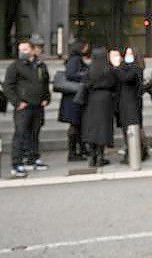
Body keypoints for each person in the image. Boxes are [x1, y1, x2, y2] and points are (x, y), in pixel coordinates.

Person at [4, 36, 50, 177]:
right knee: (20, 134)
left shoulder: (40, 65)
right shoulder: (15, 66)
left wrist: (46, 98)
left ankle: (33, 158)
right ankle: (16, 163)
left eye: (25, 49)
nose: (23, 52)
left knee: (34, 133)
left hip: (37, 105)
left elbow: (45, 83)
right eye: (21, 49)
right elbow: (8, 86)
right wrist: (17, 102)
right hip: (23, 106)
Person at [82, 47, 118, 167]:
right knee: (103, 128)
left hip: (92, 99)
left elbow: (85, 84)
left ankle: (92, 157)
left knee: (92, 128)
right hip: (106, 99)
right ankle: (101, 156)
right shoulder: (109, 70)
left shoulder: (90, 70)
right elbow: (115, 84)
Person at [58, 41, 90, 162]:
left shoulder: (75, 59)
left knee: (78, 125)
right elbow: (71, 74)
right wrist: (85, 75)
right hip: (73, 98)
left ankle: (80, 149)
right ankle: (73, 152)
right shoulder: (75, 59)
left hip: (73, 98)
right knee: (75, 125)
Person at [116, 47, 148, 164]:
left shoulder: (135, 69)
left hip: (131, 103)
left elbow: (126, 77)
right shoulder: (129, 67)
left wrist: (117, 66)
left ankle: (134, 153)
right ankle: (135, 151)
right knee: (131, 128)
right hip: (127, 102)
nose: (127, 55)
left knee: (132, 128)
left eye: (130, 53)